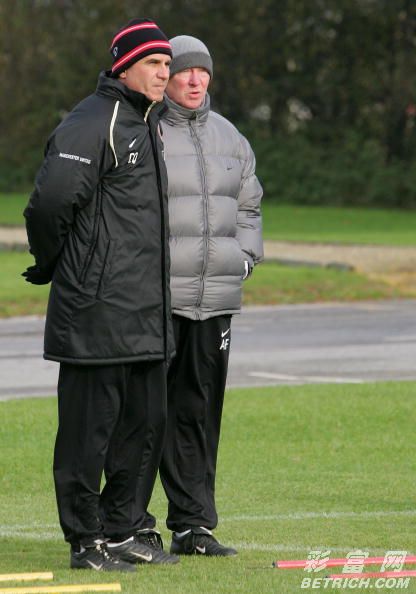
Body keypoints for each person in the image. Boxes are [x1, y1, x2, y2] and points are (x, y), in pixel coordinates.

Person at [23, 18, 179, 571]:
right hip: (96, 312)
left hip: (146, 315)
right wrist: (55, 264)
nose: (164, 73)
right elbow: (49, 206)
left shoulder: (147, 123)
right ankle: (85, 541)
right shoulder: (93, 122)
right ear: (124, 67)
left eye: (167, 64)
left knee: (142, 429)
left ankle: (122, 531)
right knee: (87, 435)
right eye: (153, 63)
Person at [158, 35, 263, 556]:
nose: (195, 80)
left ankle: (193, 526)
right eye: (184, 71)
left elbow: (249, 207)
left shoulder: (231, 137)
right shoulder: (146, 131)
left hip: (215, 301)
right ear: (166, 76)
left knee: (198, 415)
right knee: (143, 415)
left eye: (203, 71)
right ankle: (129, 524)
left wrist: (245, 257)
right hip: (157, 301)